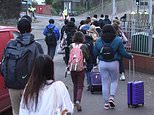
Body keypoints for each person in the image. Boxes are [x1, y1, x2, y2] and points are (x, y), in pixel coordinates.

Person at [1, 17, 43, 115]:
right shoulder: (36, 46)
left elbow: (3, 64)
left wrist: (8, 78)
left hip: (12, 85)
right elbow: (42, 67)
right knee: (32, 111)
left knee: (16, 111)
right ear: (31, 29)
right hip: (30, 86)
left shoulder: (10, 44)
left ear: (18, 29)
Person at [93, 24, 133, 110]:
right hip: (114, 63)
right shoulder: (117, 40)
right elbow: (123, 52)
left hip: (102, 63)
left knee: (104, 82)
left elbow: (94, 53)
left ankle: (106, 103)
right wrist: (130, 56)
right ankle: (112, 97)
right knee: (114, 81)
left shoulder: (99, 41)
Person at [68, 31, 89, 112]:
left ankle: (74, 101)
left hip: (72, 67)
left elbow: (68, 56)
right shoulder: (84, 46)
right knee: (80, 85)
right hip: (81, 67)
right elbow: (87, 56)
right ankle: (78, 100)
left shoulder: (71, 46)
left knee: (75, 84)